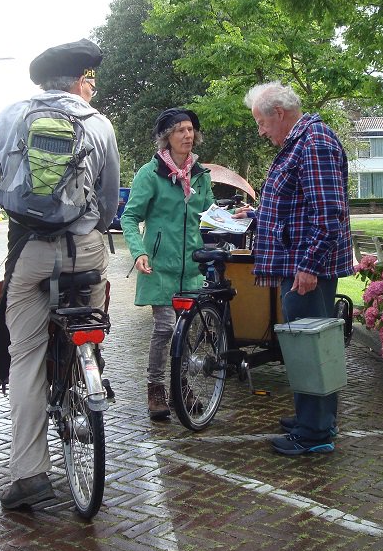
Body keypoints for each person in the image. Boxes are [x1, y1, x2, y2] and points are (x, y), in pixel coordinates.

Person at [0, 38, 120, 508]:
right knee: (88, 329)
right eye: (89, 79)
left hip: (30, 252)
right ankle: (85, 365)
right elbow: (110, 199)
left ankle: (30, 474)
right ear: (78, 81)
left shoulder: (12, 114)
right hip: (87, 252)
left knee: (26, 356)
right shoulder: (99, 124)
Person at [235, 81, 354, 455]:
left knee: (309, 348)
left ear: (279, 114)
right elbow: (300, 205)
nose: (260, 131)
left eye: (261, 122)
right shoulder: (303, 141)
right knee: (310, 345)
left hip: (307, 268)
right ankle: (316, 419)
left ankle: (314, 433)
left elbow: (328, 214)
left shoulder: (314, 143)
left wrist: (309, 265)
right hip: (304, 262)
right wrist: (258, 214)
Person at [121, 108, 214, 420]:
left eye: (190, 129)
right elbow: (130, 217)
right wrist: (138, 251)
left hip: (191, 266)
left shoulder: (201, 175)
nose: (187, 135)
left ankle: (181, 387)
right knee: (165, 327)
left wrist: (233, 216)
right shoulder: (150, 174)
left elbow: (209, 214)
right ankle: (156, 388)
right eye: (180, 131)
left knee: (189, 330)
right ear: (166, 138)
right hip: (159, 264)